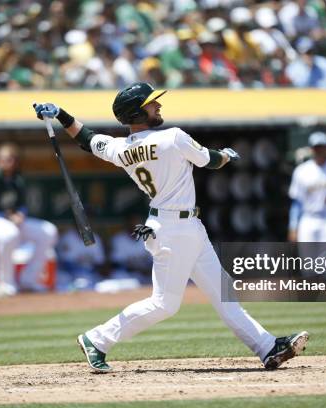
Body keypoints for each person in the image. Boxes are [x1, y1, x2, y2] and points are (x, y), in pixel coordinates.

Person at [34, 82, 309, 372]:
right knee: (164, 303)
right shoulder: (173, 137)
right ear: (137, 112)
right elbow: (211, 161)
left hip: (180, 226)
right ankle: (97, 339)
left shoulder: (119, 148)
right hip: (173, 229)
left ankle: (268, 348)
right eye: (152, 104)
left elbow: (87, 139)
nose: (158, 106)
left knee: (222, 291)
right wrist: (227, 154)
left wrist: (62, 115)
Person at [0, 143, 57, 295]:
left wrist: (21, 214)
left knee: (48, 232)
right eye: (4, 159)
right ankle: (5, 283)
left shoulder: (17, 179)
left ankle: (28, 280)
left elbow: (22, 205)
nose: (8, 162)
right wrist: (6, 217)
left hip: (12, 222)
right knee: (9, 233)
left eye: (11, 159)